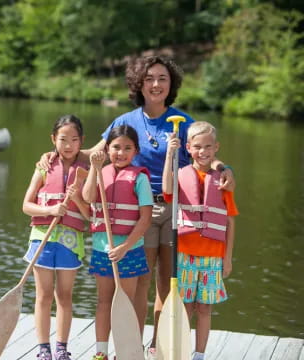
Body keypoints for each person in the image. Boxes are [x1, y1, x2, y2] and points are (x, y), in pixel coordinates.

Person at [38, 55, 235, 359]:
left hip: (174, 211)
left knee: (167, 282)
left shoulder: (182, 120)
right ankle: (132, 347)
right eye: (149, 79)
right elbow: (93, 153)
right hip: (139, 214)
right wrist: (55, 153)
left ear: (171, 85)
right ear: (139, 84)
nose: (156, 84)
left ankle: (158, 345)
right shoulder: (124, 121)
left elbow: (202, 150)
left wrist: (225, 168)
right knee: (139, 282)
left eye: (162, 79)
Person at [162, 121, 238, 360]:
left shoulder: (223, 180)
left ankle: (200, 355)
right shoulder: (182, 174)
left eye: (208, 147)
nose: (203, 152)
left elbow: (230, 222)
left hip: (213, 256)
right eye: (197, 147)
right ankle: (182, 352)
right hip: (185, 253)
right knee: (184, 308)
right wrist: (169, 154)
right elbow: (166, 189)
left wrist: (227, 259)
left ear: (216, 147)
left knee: (204, 308)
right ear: (188, 148)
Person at [82, 125, 153, 360]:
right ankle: (101, 352)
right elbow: (88, 197)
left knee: (126, 303)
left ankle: (124, 353)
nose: (120, 153)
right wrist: (94, 167)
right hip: (103, 249)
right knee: (104, 302)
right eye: (115, 147)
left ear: (136, 151)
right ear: (107, 148)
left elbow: (145, 219)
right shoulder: (101, 172)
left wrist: (124, 247)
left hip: (129, 250)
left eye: (127, 148)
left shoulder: (140, 178)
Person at [22, 114, 90, 360]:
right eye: (63, 139)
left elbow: (90, 215)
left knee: (64, 295)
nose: (68, 145)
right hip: (42, 237)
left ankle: (61, 348)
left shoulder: (87, 172)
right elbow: (26, 205)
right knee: (43, 295)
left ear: (81, 141)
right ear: (53, 139)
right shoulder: (43, 167)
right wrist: (50, 210)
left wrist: (77, 199)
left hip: (69, 241)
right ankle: (43, 349)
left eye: (74, 139)